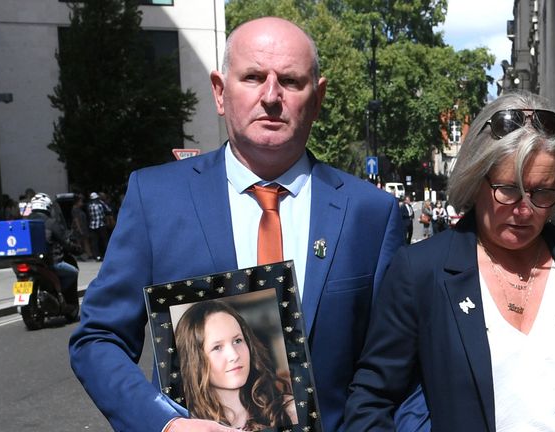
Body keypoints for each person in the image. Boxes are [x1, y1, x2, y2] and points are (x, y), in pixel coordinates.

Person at [69, 17, 421, 432]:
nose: (271, 96)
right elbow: (98, 339)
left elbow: (394, 365)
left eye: (290, 81)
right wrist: (162, 424)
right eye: (253, 77)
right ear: (220, 92)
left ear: (318, 96)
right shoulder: (156, 198)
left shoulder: (371, 213)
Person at [345, 91, 555, 431]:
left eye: (542, 192)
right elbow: (372, 399)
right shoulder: (421, 271)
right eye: (508, 189)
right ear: (475, 180)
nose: (525, 209)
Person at [174, 299, 297, 430]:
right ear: (194, 361)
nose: (234, 355)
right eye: (217, 347)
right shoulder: (186, 425)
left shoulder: (290, 410)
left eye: (237, 340)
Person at [26, 193, 80, 314]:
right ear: (46, 207)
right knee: (73, 272)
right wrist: (75, 248)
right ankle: (58, 294)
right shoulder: (50, 222)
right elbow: (64, 241)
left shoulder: (25, 222)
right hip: (49, 262)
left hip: (26, 262)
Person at [87, 192, 109, 261]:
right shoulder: (100, 205)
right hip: (101, 225)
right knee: (104, 240)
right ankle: (106, 255)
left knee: (94, 242)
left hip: (92, 226)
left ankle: (97, 256)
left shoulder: (89, 206)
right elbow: (108, 210)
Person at [71, 194, 92, 260]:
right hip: (79, 229)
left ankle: (89, 254)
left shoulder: (79, 209)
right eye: (80, 202)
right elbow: (76, 220)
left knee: (85, 241)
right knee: (79, 242)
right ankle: (81, 255)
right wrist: (80, 230)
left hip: (83, 227)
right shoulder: (75, 210)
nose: (82, 203)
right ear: (77, 202)